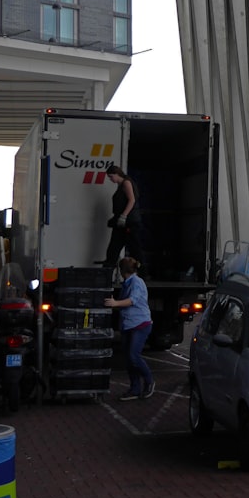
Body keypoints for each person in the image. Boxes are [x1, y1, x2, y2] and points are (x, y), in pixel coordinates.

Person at [104, 256, 155, 401]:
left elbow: (132, 300)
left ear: (121, 270)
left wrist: (115, 303)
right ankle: (135, 388)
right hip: (129, 324)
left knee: (133, 355)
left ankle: (149, 381)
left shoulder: (136, 282)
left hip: (140, 324)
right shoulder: (128, 282)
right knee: (128, 358)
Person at [104, 164, 144, 269]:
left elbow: (132, 200)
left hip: (130, 223)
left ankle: (143, 273)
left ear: (117, 174)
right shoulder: (121, 185)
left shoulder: (126, 183)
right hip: (121, 223)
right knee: (113, 248)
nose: (111, 179)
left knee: (135, 249)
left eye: (111, 176)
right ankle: (106, 273)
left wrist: (123, 216)